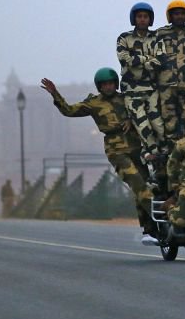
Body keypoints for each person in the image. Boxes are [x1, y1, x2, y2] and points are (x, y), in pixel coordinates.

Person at [41, 68, 159, 245]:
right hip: (116, 150)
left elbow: (142, 111)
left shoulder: (126, 98)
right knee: (136, 181)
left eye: (111, 83)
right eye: (105, 84)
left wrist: (130, 119)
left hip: (136, 147)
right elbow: (69, 110)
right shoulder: (94, 103)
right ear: (99, 87)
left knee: (145, 185)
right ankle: (163, 216)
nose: (109, 87)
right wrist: (55, 94)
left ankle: (153, 229)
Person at [117, 2, 166, 160]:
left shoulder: (157, 38)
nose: (142, 20)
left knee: (159, 126)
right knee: (143, 128)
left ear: (150, 19)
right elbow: (124, 59)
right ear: (134, 18)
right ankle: (152, 158)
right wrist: (147, 60)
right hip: (132, 92)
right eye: (139, 16)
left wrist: (137, 59)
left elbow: (160, 61)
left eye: (145, 17)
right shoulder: (124, 38)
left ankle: (164, 154)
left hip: (152, 89)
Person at [155, 0, 185, 146]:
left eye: (181, 14)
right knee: (169, 119)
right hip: (166, 84)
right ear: (170, 16)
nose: (179, 17)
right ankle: (171, 150)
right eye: (176, 14)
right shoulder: (160, 34)